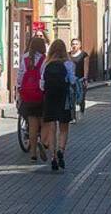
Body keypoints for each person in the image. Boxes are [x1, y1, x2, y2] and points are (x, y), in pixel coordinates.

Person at [41, 39, 77, 171]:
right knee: (64, 127)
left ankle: (53, 157)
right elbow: (72, 80)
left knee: (52, 128)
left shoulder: (46, 64)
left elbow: (42, 84)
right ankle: (61, 150)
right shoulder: (68, 63)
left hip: (50, 97)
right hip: (64, 97)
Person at [15, 36, 50, 161]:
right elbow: (44, 78)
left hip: (27, 96)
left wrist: (18, 90)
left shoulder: (24, 58)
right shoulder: (44, 60)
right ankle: (44, 142)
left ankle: (33, 154)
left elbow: (20, 75)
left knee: (32, 125)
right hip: (39, 95)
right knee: (43, 122)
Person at [69, 39, 90, 118]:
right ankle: (72, 117)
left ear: (80, 45)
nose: (74, 46)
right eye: (73, 44)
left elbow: (86, 67)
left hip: (80, 79)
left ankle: (81, 109)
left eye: (76, 44)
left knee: (81, 97)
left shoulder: (84, 55)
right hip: (71, 80)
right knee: (71, 98)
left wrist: (85, 78)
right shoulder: (68, 55)